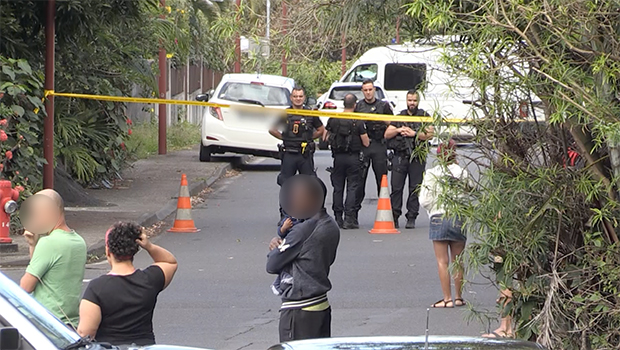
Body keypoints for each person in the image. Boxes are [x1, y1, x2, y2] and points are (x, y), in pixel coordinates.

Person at [77, 222, 178, 345]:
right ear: (135, 249)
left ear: (108, 251)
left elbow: (85, 333)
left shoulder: (97, 288)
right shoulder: (150, 280)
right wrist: (149, 246)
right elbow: (170, 262)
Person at [267, 175, 340, 342]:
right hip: (321, 304)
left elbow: (272, 264)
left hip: (300, 308)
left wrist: (276, 245)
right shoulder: (330, 224)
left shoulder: (302, 231)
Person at [20, 189, 87, 327]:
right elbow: (46, 274)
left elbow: (25, 287)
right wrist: (33, 245)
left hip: (46, 323)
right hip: (69, 323)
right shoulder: (79, 242)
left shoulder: (48, 243)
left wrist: (39, 245)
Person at [419, 140, 468, 308]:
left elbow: (424, 199)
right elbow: (468, 192)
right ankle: (459, 296)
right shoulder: (461, 172)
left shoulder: (432, 173)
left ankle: (447, 298)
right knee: (458, 260)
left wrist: (433, 209)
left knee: (442, 261)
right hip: (458, 216)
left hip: (438, 216)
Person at [385, 90, 435, 229]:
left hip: (417, 157)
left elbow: (430, 134)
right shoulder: (400, 116)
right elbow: (387, 133)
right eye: (409, 100)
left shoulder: (424, 116)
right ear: (406, 101)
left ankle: (411, 216)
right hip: (400, 156)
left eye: (414, 100)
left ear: (418, 101)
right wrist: (399, 130)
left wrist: (415, 134)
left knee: (415, 188)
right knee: (396, 188)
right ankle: (395, 215)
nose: (412, 103)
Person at [325, 93, 369, 229]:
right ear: (355, 104)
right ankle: (349, 218)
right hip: (353, 158)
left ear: (343, 104)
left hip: (338, 158)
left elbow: (324, 136)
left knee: (338, 188)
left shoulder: (334, 119)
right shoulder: (358, 120)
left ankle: (337, 217)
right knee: (352, 187)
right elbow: (366, 142)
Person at [353, 79, 393, 226]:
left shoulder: (383, 105)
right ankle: (353, 215)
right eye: (365, 90)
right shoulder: (359, 106)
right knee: (359, 182)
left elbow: (392, 124)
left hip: (379, 145)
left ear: (374, 90)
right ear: (362, 91)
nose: (368, 92)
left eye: (370, 89)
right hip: (364, 145)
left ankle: (387, 215)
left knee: (381, 181)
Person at [269, 86, 325, 187]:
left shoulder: (310, 113)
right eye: (295, 96)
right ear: (291, 98)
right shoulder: (285, 113)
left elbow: (321, 129)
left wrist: (309, 138)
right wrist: (284, 138)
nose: (298, 99)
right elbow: (272, 129)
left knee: (309, 184)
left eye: (300, 96)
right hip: (289, 153)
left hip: (305, 154)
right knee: (286, 183)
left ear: (304, 98)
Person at [271, 214, 304, 295]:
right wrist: (284, 228)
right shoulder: (288, 218)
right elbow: (280, 232)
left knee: (290, 264)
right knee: (284, 266)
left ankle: (284, 279)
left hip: (296, 243)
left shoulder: (305, 219)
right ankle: (278, 283)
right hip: (287, 243)